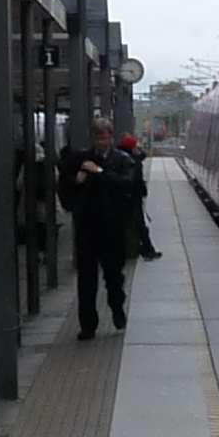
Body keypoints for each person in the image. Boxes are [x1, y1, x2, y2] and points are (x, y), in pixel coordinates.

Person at [59, 141, 136, 336]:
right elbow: (64, 185)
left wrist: (100, 172)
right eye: (97, 136)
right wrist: (76, 181)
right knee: (86, 279)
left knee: (114, 276)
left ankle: (117, 309)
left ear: (110, 138)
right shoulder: (80, 159)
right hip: (86, 228)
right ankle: (88, 326)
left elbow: (127, 184)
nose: (101, 141)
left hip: (112, 229)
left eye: (104, 136)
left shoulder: (122, 160)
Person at [115, 131, 160, 260]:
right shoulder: (132, 161)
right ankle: (147, 250)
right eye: (135, 146)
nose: (137, 148)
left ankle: (143, 249)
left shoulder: (122, 157)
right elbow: (135, 180)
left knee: (135, 225)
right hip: (132, 198)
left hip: (129, 197)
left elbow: (143, 155)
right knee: (139, 225)